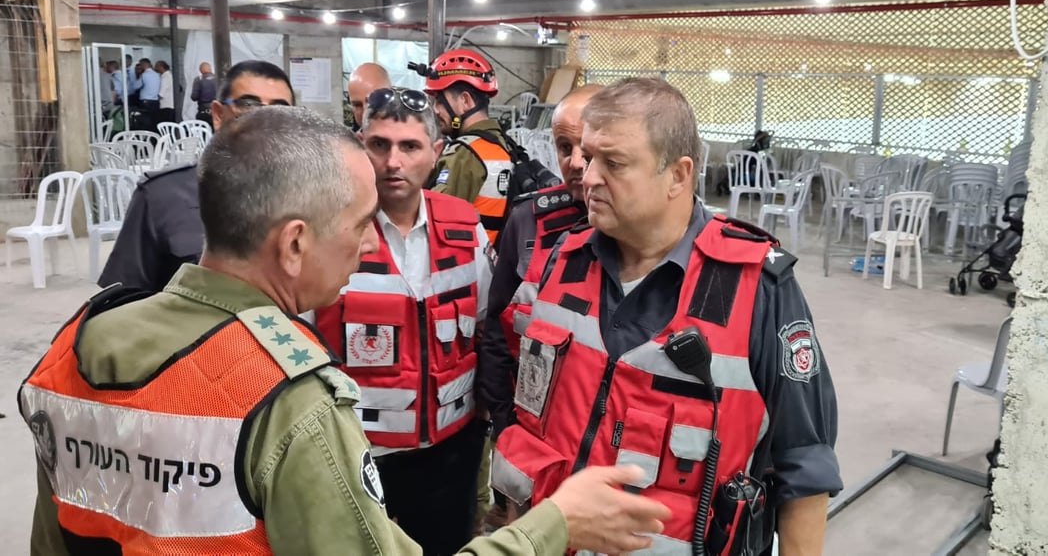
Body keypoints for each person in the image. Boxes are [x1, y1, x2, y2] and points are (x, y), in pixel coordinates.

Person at [19, 106, 671, 556]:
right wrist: (559, 522)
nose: (368, 246)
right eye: (359, 225)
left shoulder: (82, 337)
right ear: (295, 243)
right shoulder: (288, 398)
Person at [492, 78, 841, 555]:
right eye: (587, 156)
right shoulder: (562, 261)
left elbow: (805, 465)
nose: (586, 175)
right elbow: (530, 419)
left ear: (678, 175)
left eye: (612, 163)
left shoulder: (754, 288)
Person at [313, 87, 492, 555]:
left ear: (435, 153)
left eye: (409, 147)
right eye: (379, 145)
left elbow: (488, 325)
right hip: (355, 452)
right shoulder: (327, 230)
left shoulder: (465, 224)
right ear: (360, 145)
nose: (394, 162)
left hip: (448, 450)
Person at [98, 60, 296, 293]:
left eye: (280, 110)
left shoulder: (309, 195)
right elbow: (125, 300)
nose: (264, 119)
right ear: (218, 115)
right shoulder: (162, 196)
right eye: (249, 105)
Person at [479, 84, 599, 435]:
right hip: (530, 430)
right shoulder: (527, 220)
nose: (576, 163)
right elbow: (497, 335)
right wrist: (505, 426)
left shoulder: (648, 236)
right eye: (565, 148)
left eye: (588, 150)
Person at [423, 49, 514, 244]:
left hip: (465, 266)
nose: (435, 110)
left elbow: (432, 224)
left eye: (439, 100)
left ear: (465, 101)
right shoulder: (505, 145)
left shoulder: (464, 154)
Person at [347, 62, 391, 131]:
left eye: (372, 102)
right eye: (357, 105)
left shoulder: (410, 137)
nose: (365, 112)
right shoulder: (350, 141)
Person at [155, 60, 176, 126]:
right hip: (170, 104)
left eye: (156, 66)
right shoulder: (169, 75)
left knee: (165, 124)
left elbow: (161, 93)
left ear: (161, 67)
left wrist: (155, 100)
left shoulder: (166, 77)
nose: (155, 68)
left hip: (166, 105)